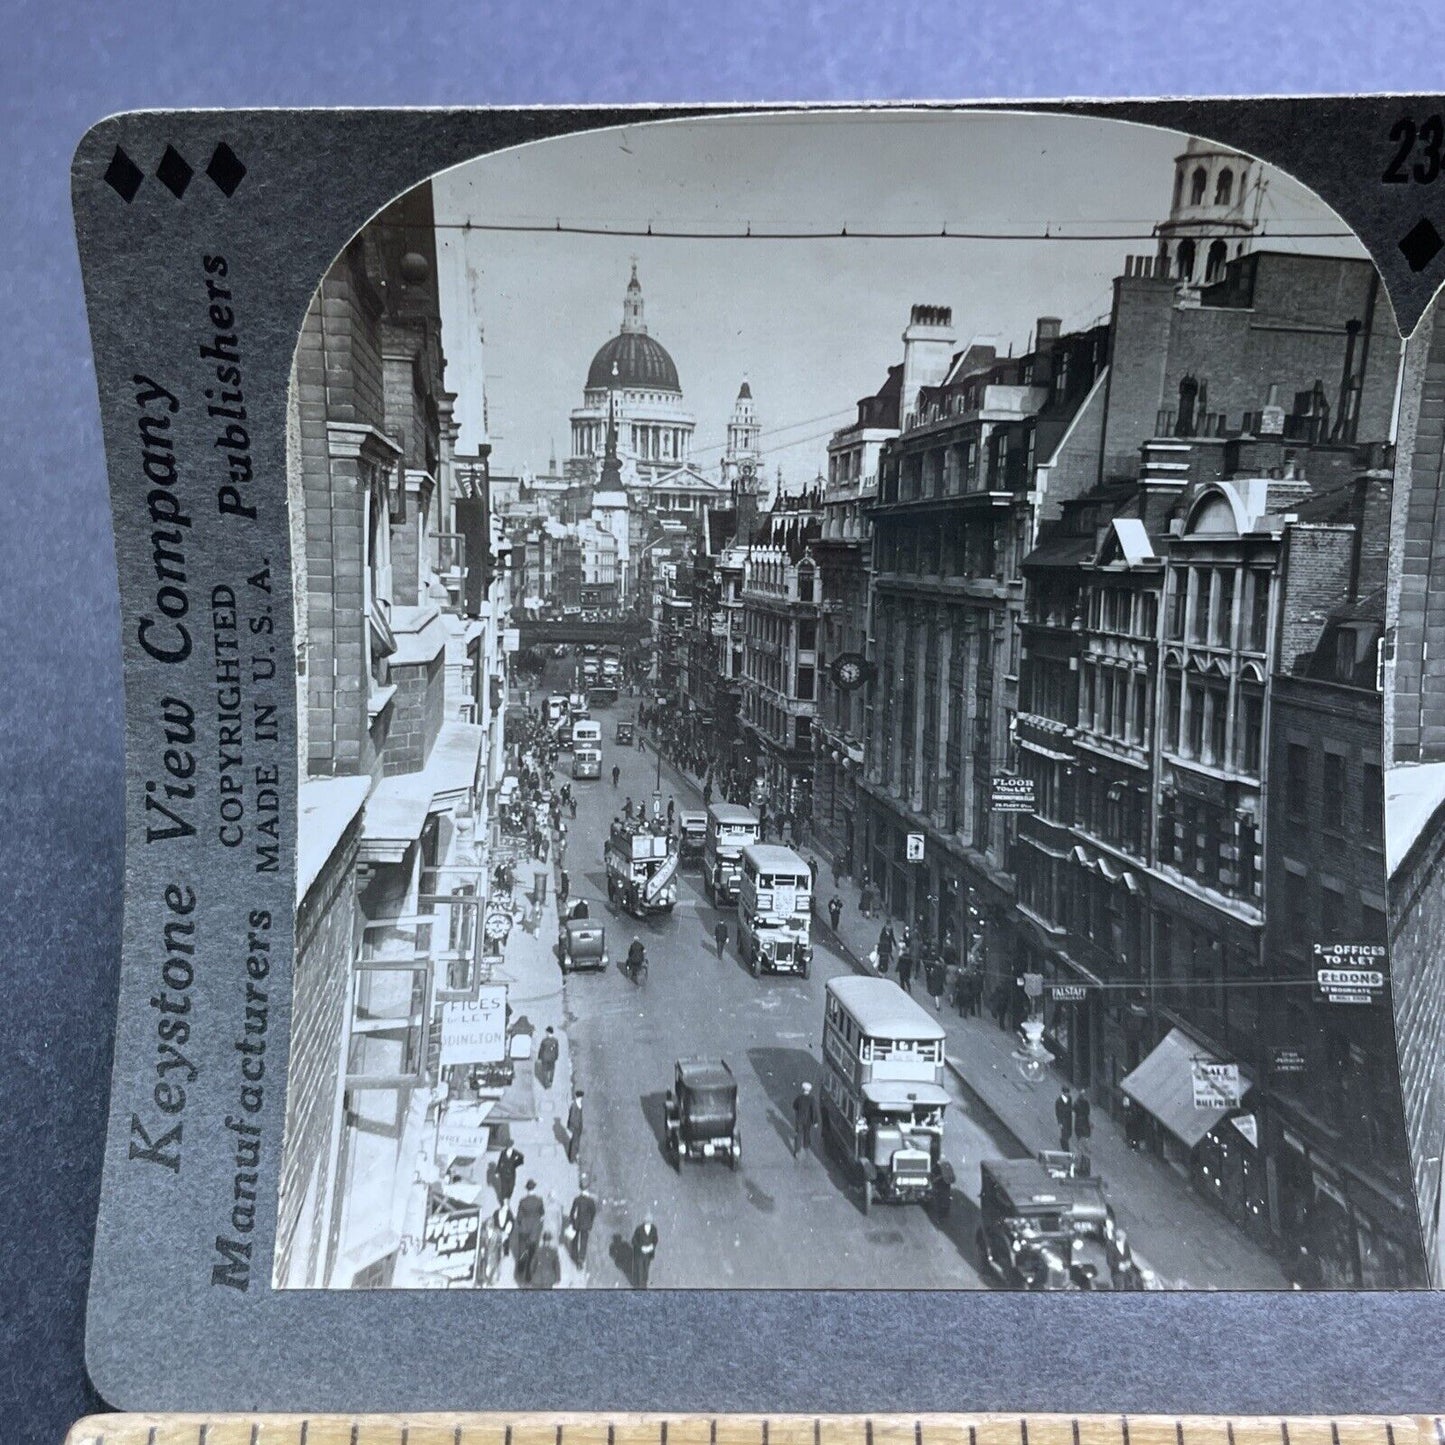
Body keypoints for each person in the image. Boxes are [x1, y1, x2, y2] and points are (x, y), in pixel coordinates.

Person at [513, 1180, 545, 1282]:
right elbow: (542, 1215)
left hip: (524, 1229)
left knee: (522, 1250)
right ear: (534, 1189)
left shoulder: (522, 1201)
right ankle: (529, 1275)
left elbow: (518, 1217)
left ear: (527, 1189)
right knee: (532, 1252)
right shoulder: (539, 1201)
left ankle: (520, 1270)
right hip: (534, 1230)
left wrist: (521, 1223)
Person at [479, 1202, 514, 1286]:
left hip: (495, 1254)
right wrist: (482, 1250)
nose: (487, 1229)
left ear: (491, 1226)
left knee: (494, 1268)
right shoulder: (483, 1234)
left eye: (489, 1227)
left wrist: (501, 1252)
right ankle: (485, 1280)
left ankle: (493, 1280)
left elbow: (500, 1242)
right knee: (485, 1267)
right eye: (487, 1227)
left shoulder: (497, 1233)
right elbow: (482, 1243)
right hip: (487, 1254)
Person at [567, 1176, 598, 1268]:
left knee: (575, 1240)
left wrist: (573, 1221)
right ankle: (581, 1259)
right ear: (587, 1189)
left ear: (580, 1188)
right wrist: (590, 1221)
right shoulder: (590, 1201)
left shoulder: (577, 1199)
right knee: (584, 1241)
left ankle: (575, 1255)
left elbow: (572, 1212)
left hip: (577, 1223)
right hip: (586, 1224)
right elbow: (593, 1212)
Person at [631, 1215, 660, 1288]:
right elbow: (634, 1240)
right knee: (640, 1270)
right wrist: (641, 1247)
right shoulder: (639, 1229)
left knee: (646, 1269)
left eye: (649, 1221)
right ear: (644, 1221)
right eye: (646, 1221)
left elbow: (655, 1239)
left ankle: (644, 1284)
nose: (648, 1222)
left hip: (648, 1254)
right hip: (640, 1254)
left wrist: (652, 1246)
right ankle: (640, 1286)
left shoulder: (654, 1229)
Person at [792, 1081, 819, 1158]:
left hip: (799, 1119)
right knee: (807, 1132)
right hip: (808, 1120)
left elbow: (794, 1106)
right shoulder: (811, 1099)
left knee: (798, 1134)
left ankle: (797, 1151)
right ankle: (806, 1145)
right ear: (809, 1090)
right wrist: (815, 1121)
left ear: (802, 1089)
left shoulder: (799, 1098)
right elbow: (814, 1110)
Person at [535, 1026, 560, 1090]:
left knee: (545, 1070)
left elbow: (541, 1050)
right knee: (552, 1069)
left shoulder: (544, 1041)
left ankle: (546, 1084)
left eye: (546, 1032)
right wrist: (556, 1057)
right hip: (552, 1058)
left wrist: (539, 1057)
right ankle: (551, 1081)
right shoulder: (555, 1041)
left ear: (548, 1032)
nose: (546, 1033)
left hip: (545, 1058)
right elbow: (556, 1050)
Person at [566, 1089, 585, 1164]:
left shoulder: (578, 1103)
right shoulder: (574, 1105)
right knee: (575, 1142)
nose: (581, 1098)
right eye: (580, 1097)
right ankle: (572, 1158)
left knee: (575, 1141)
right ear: (578, 1097)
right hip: (575, 1127)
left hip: (578, 1126)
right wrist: (572, 1128)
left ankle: (573, 1155)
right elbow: (572, 1118)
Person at [1072, 1089, 1093, 1157]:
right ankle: (1081, 1147)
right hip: (1083, 1120)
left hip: (1080, 1120)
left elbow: (1073, 1110)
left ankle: (1083, 1147)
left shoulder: (1078, 1102)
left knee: (1083, 1134)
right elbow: (1087, 1113)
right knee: (1083, 1134)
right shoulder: (1084, 1103)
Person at [1055, 1087, 1074, 1152]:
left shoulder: (1070, 1098)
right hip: (1063, 1120)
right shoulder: (1058, 1101)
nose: (1067, 1094)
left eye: (1068, 1093)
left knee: (1069, 1134)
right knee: (1065, 1135)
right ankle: (1066, 1151)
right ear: (1063, 1093)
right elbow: (1057, 1112)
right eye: (1066, 1093)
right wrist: (1059, 1122)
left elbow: (1070, 1107)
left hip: (1069, 1119)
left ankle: (1062, 1141)